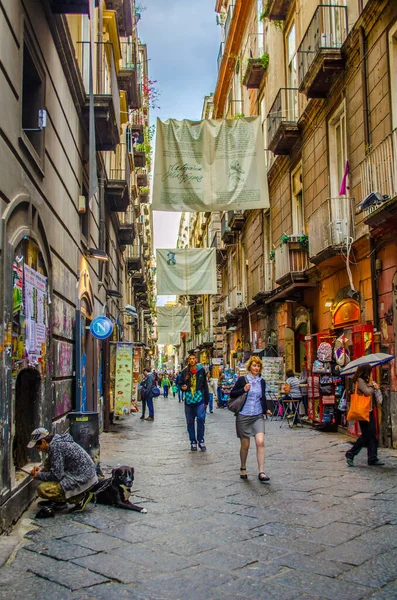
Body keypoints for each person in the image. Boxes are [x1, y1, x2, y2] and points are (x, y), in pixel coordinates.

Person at [28, 427, 97, 513]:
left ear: (43, 442)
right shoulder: (56, 442)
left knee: (43, 489)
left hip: (83, 478)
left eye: (38, 447)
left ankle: (80, 498)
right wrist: (41, 470)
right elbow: (55, 467)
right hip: (84, 474)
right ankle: (59, 502)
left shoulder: (56, 447)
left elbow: (57, 475)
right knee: (48, 464)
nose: (39, 450)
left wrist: (38, 475)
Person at [229, 356, 269, 483]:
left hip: (257, 415)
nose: (256, 368)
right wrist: (243, 389)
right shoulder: (242, 380)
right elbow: (232, 394)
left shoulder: (262, 381)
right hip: (244, 415)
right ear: (250, 367)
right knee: (245, 445)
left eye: (258, 366)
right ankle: (243, 467)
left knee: (260, 442)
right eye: (254, 365)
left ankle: (261, 472)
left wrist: (266, 409)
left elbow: (263, 397)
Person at [345, 365, 384, 467]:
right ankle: (351, 453)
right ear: (365, 371)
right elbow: (367, 392)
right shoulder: (360, 380)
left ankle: (372, 458)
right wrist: (372, 386)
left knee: (372, 434)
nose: (371, 373)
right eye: (370, 371)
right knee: (367, 435)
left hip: (369, 411)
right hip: (363, 411)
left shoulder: (365, 380)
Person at [181, 353, 209, 451]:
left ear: (196, 359)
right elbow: (180, 383)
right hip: (189, 400)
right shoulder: (184, 372)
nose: (192, 360)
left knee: (201, 419)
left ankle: (201, 440)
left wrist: (206, 401)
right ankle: (193, 441)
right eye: (190, 359)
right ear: (188, 360)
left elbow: (205, 385)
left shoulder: (201, 370)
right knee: (190, 421)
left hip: (199, 398)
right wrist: (182, 387)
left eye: (193, 358)